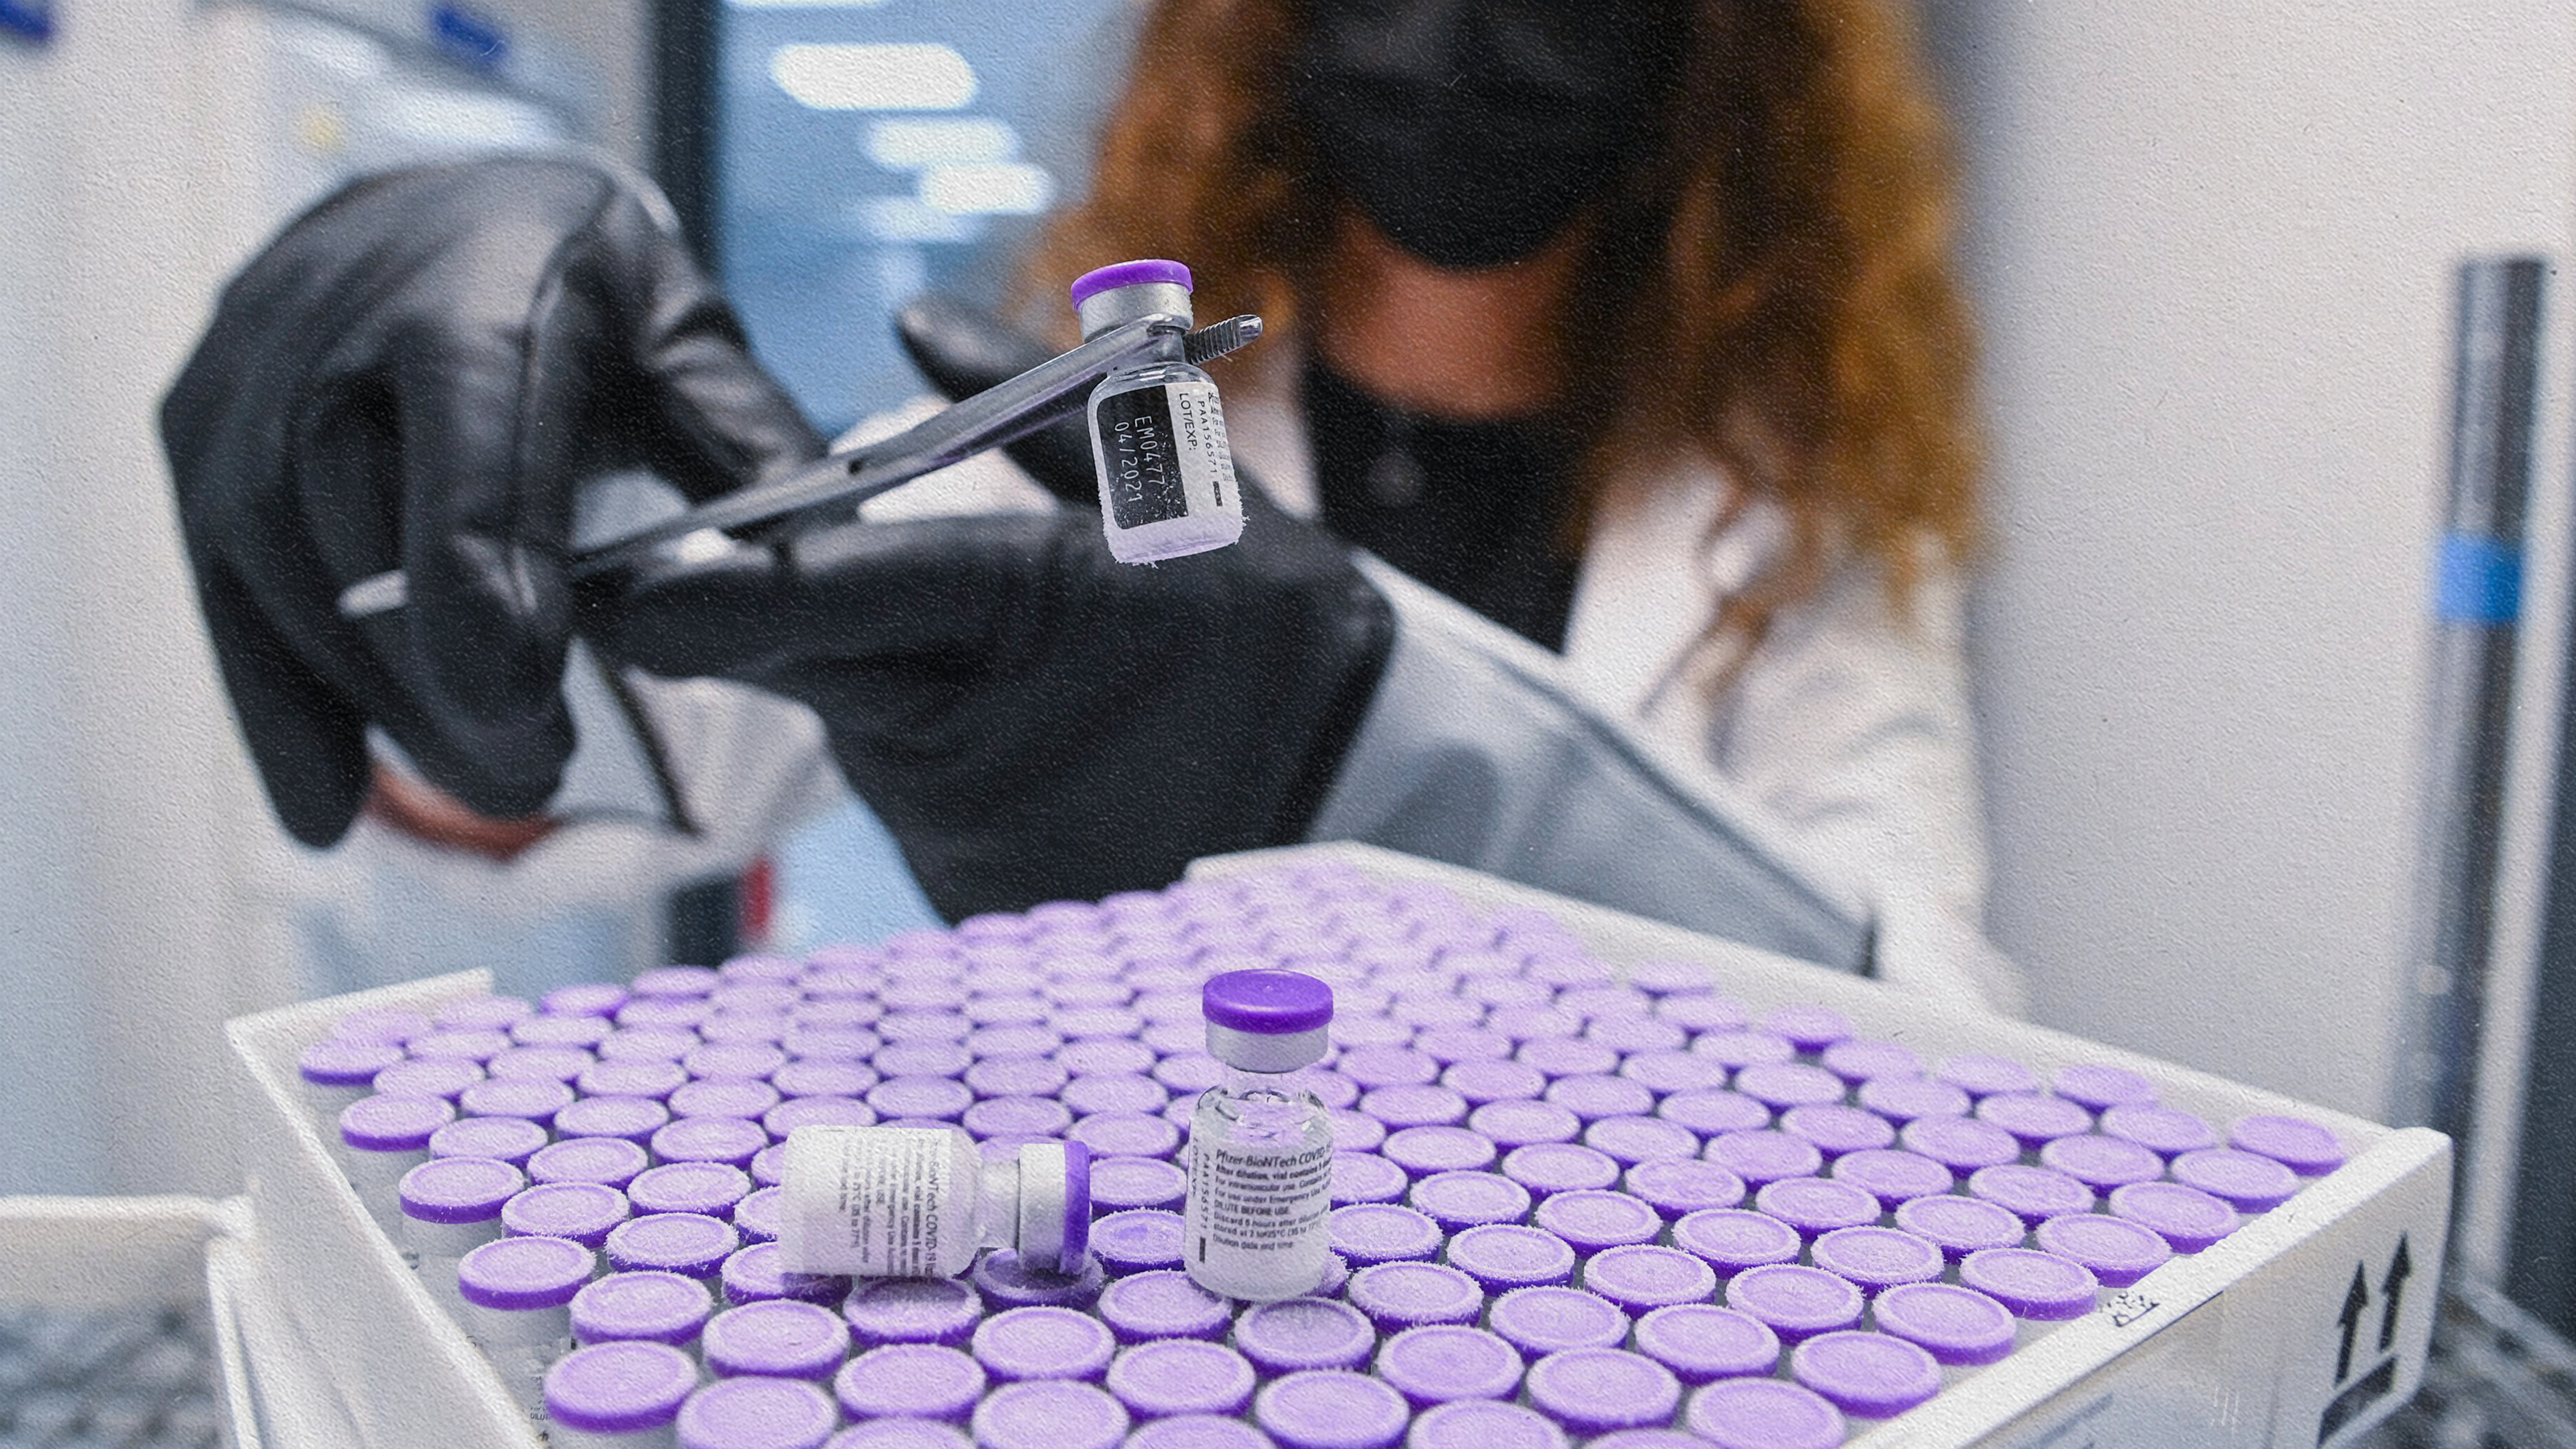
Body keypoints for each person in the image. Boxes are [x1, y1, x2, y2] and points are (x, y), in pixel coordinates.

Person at [160, 0, 2018, 1009]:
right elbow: (580, 761)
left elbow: (1935, 1027)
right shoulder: (1108, 421)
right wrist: (413, 518)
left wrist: (1372, 744)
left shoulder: (1793, 507)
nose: (1454, 42)